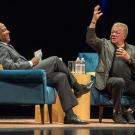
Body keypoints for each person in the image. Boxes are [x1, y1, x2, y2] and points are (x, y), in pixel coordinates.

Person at [0, 22, 91, 124]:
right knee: (55, 60)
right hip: (23, 75)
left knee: (60, 77)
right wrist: (31, 62)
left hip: (28, 72)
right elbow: (10, 68)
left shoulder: (7, 46)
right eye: (3, 30)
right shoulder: (1, 48)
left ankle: (70, 116)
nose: (8, 31)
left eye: (6, 29)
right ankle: (78, 88)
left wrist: (32, 62)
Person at [86, 5, 135, 124]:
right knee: (118, 81)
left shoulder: (132, 49)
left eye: (117, 33)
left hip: (129, 84)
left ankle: (129, 110)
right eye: (112, 32)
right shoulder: (105, 44)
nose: (113, 34)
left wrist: (129, 58)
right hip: (108, 81)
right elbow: (90, 40)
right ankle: (116, 113)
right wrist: (93, 21)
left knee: (124, 82)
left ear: (124, 36)